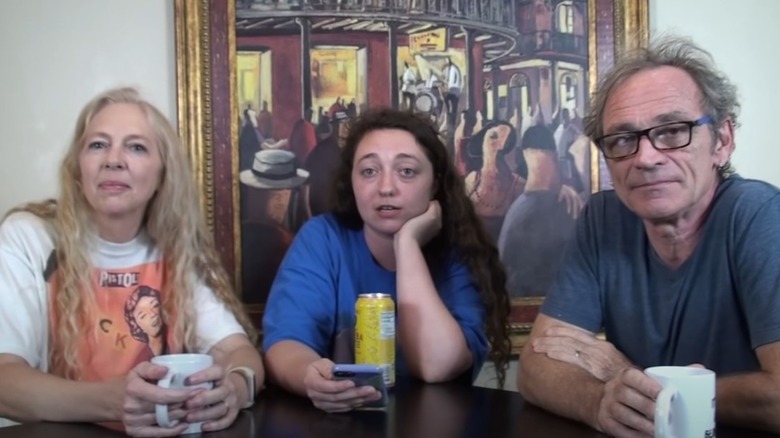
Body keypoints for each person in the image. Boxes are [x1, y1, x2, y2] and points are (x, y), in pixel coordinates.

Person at [518, 36, 780, 435]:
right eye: (623, 140)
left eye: (673, 131)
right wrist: (599, 402)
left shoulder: (760, 216)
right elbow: (536, 368)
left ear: (722, 141)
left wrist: (634, 379)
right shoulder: (603, 218)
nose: (645, 158)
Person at [0, 87, 264, 436]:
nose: (113, 159)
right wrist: (112, 402)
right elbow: (5, 381)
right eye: (98, 145)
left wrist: (236, 389)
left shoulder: (177, 248)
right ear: (78, 170)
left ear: (161, 176)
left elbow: (239, 352)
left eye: (136, 147)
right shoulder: (30, 236)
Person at [262, 108, 512, 413]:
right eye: (369, 171)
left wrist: (407, 244)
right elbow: (285, 343)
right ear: (351, 180)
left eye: (406, 171)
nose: (386, 187)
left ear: (434, 183)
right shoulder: (322, 238)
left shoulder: (460, 252)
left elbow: (436, 366)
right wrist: (310, 378)